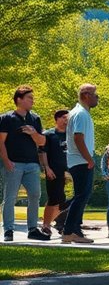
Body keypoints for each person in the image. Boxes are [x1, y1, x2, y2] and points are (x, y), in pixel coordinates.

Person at [0, 86, 50, 242]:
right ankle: (8, 230)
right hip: (14, 164)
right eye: (29, 98)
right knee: (10, 197)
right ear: (19, 99)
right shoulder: (6, 118)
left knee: (35, 195)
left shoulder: (35, 118)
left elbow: (42, 142)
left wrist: (33, 133)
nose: (32, 101)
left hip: (32, 165)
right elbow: (1, 142)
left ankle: (33, 229)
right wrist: (6, 161)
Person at [63, 84, 99, 244]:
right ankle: (68, 231)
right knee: (81, 196)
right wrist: (89, 159)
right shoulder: (81, 114)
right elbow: (78, 138)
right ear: (86, 95)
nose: (97, 97)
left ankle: (75, 231)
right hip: (81, 161)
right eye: (95, 94)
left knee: (81, 195)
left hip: (78, 160)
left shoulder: (79, 113)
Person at [39, 109, 70, 236]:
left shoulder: (71, 134)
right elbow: (42, 152)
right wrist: (47, 168)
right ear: (56, 119)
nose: (66, 120)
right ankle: (46, 225)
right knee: (53, 199)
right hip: (53, 171)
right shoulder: (48, 134)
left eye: (68, 118)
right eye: (63, 117)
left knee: (64, 201)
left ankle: (58, 224)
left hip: (69, 170)